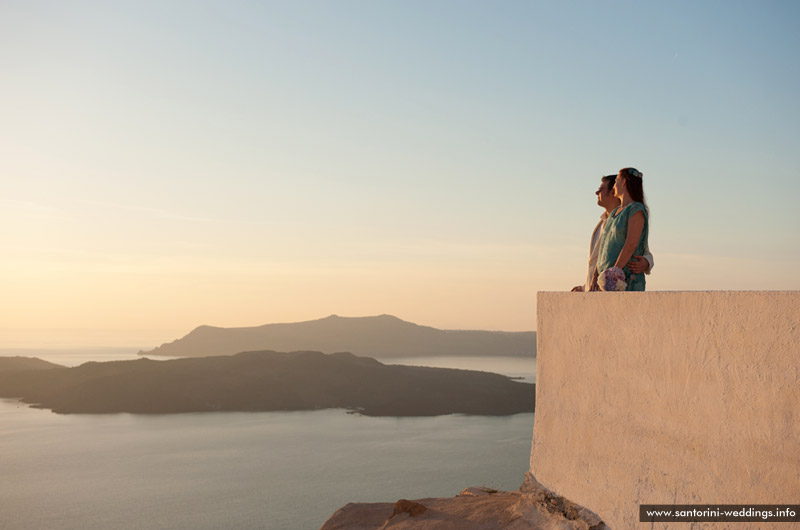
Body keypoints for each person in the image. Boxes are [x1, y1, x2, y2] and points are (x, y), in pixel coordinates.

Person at [572, 173, 653, 292]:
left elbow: (636, 246)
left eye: (601, 189)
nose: (596, 193)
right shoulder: (604, 223)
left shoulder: (633, 212)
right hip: (599, 290)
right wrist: (587, 286)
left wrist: (646, 262)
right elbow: (602, 259)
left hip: (621, 284)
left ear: (612, 192)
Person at [595, 167, 650, 291]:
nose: (614, 186)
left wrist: (612, 275)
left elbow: (631, 243)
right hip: (607, 283)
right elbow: (604, 246)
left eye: (616, 182)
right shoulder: (615, 212)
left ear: (624, 182)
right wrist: (598, 276)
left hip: (626, 281)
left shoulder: (636, 209)